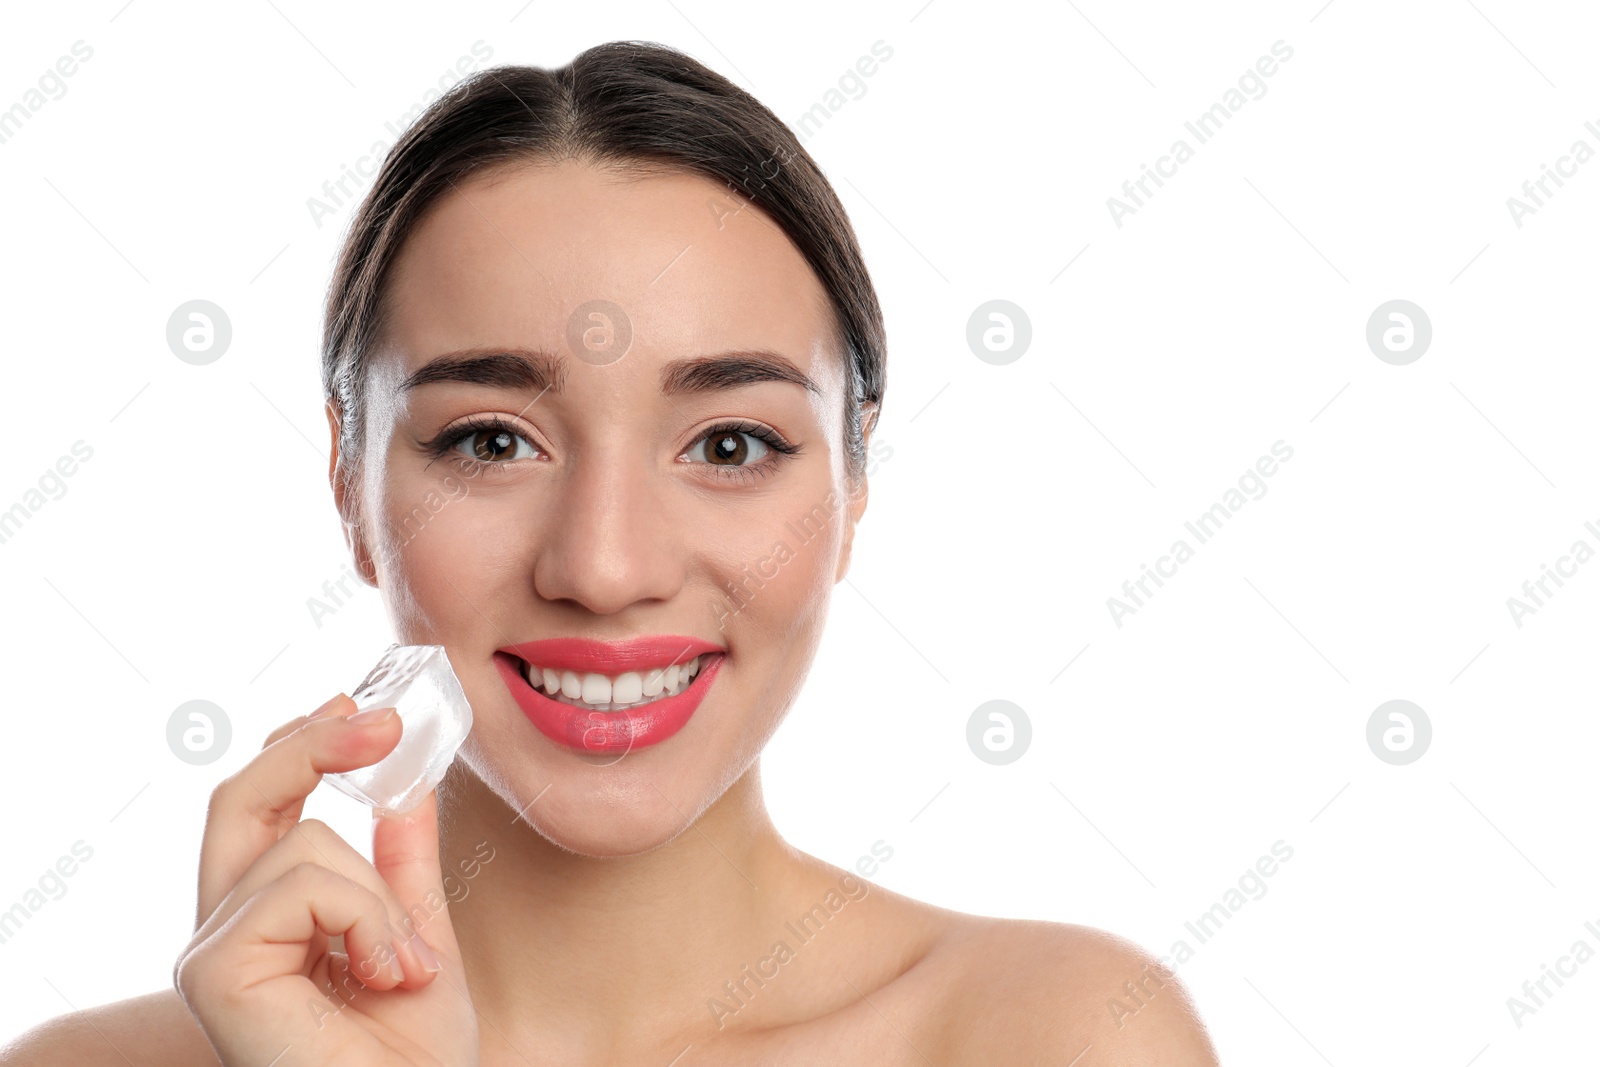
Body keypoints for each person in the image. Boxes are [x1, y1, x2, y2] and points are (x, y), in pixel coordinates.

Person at [3, 41, 1219, 1065]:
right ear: (346, 477)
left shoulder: (1059, 1036)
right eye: (491, 438)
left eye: (731, 442)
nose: (603, 563)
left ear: (852, 486)